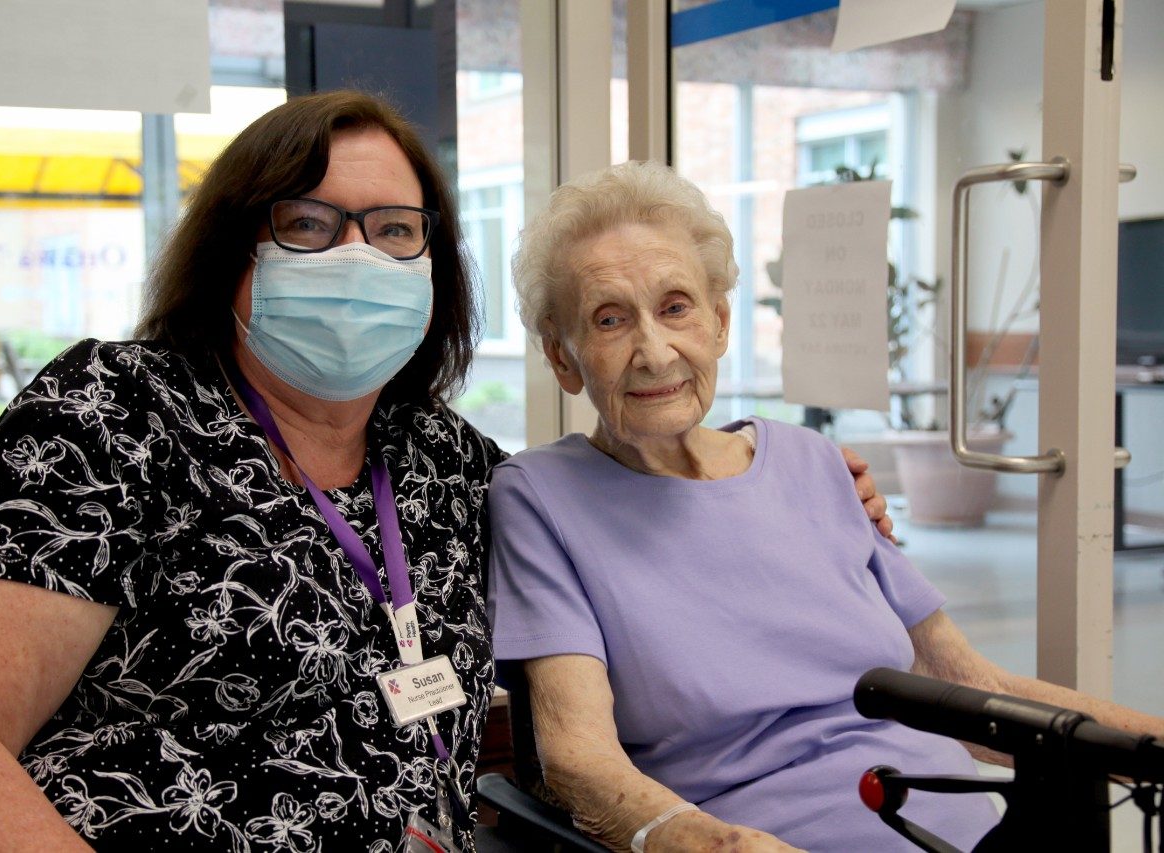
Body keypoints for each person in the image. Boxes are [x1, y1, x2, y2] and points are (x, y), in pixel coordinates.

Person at [0, 93, 887, 852]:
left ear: (433, 267)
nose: (355, 257)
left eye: (393, 230)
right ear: (233, 250)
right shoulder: (121, 411)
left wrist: (781, 474)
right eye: (308, 224)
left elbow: (627, 511)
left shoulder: (443, 461)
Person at [487, 160, 1164, 852]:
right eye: (609, 319)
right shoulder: (544, 497)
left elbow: (967, 683)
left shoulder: (813, 462)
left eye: (676, 307)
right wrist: (720, 845)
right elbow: (578, 756)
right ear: (562, 357)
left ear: (719, 322)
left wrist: (1151, 745)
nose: (655, 351)